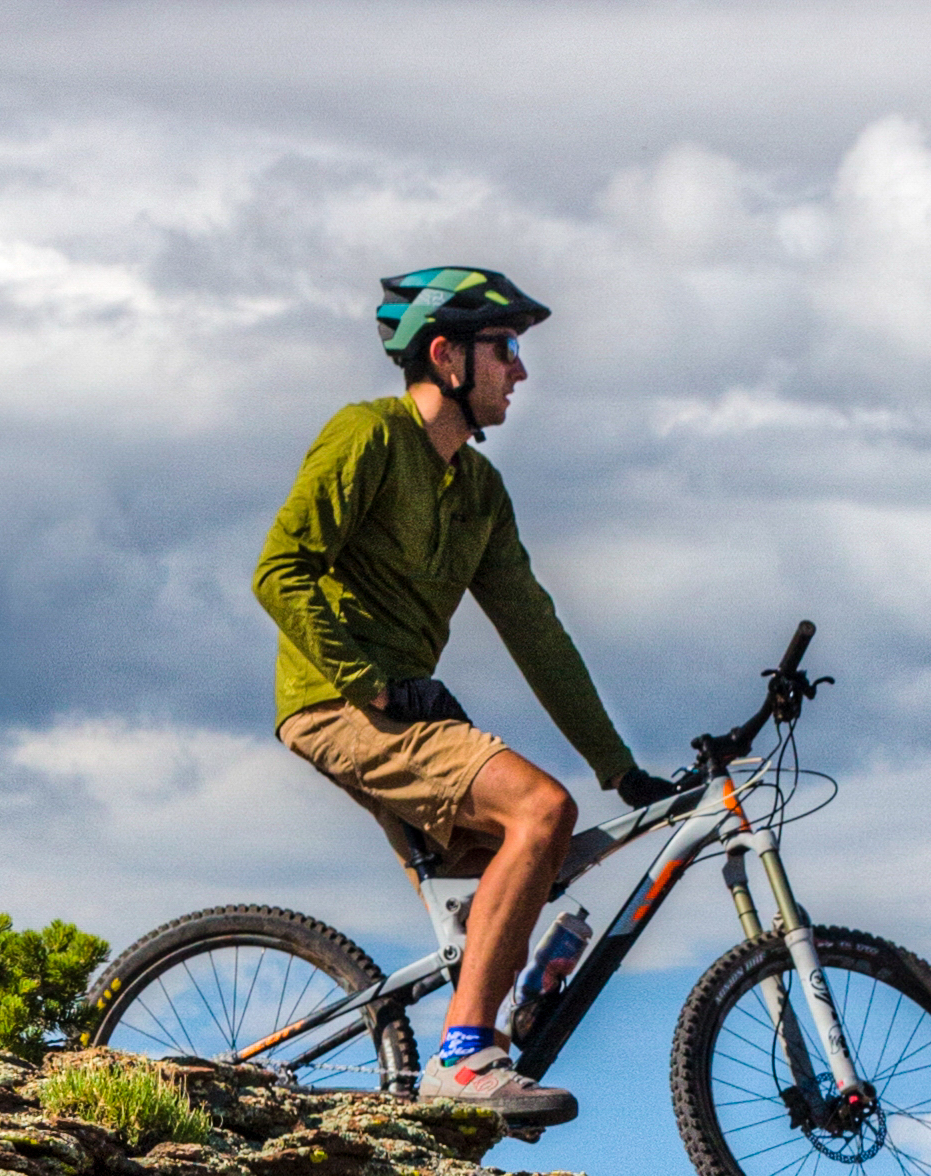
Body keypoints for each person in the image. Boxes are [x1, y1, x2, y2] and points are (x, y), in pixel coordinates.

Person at [251, 266, 662, 1120]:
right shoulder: (367, 435)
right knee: (539, 810)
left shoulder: (478, 491)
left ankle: (459, 1076)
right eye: (505, 348)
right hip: (340, 703)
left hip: (405, 709)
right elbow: (279, 571)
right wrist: (372, 679)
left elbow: (535, 629)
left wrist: (617, 768)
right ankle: (466, 1055)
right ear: (445, 357)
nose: (520, 370)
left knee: (527, 872)